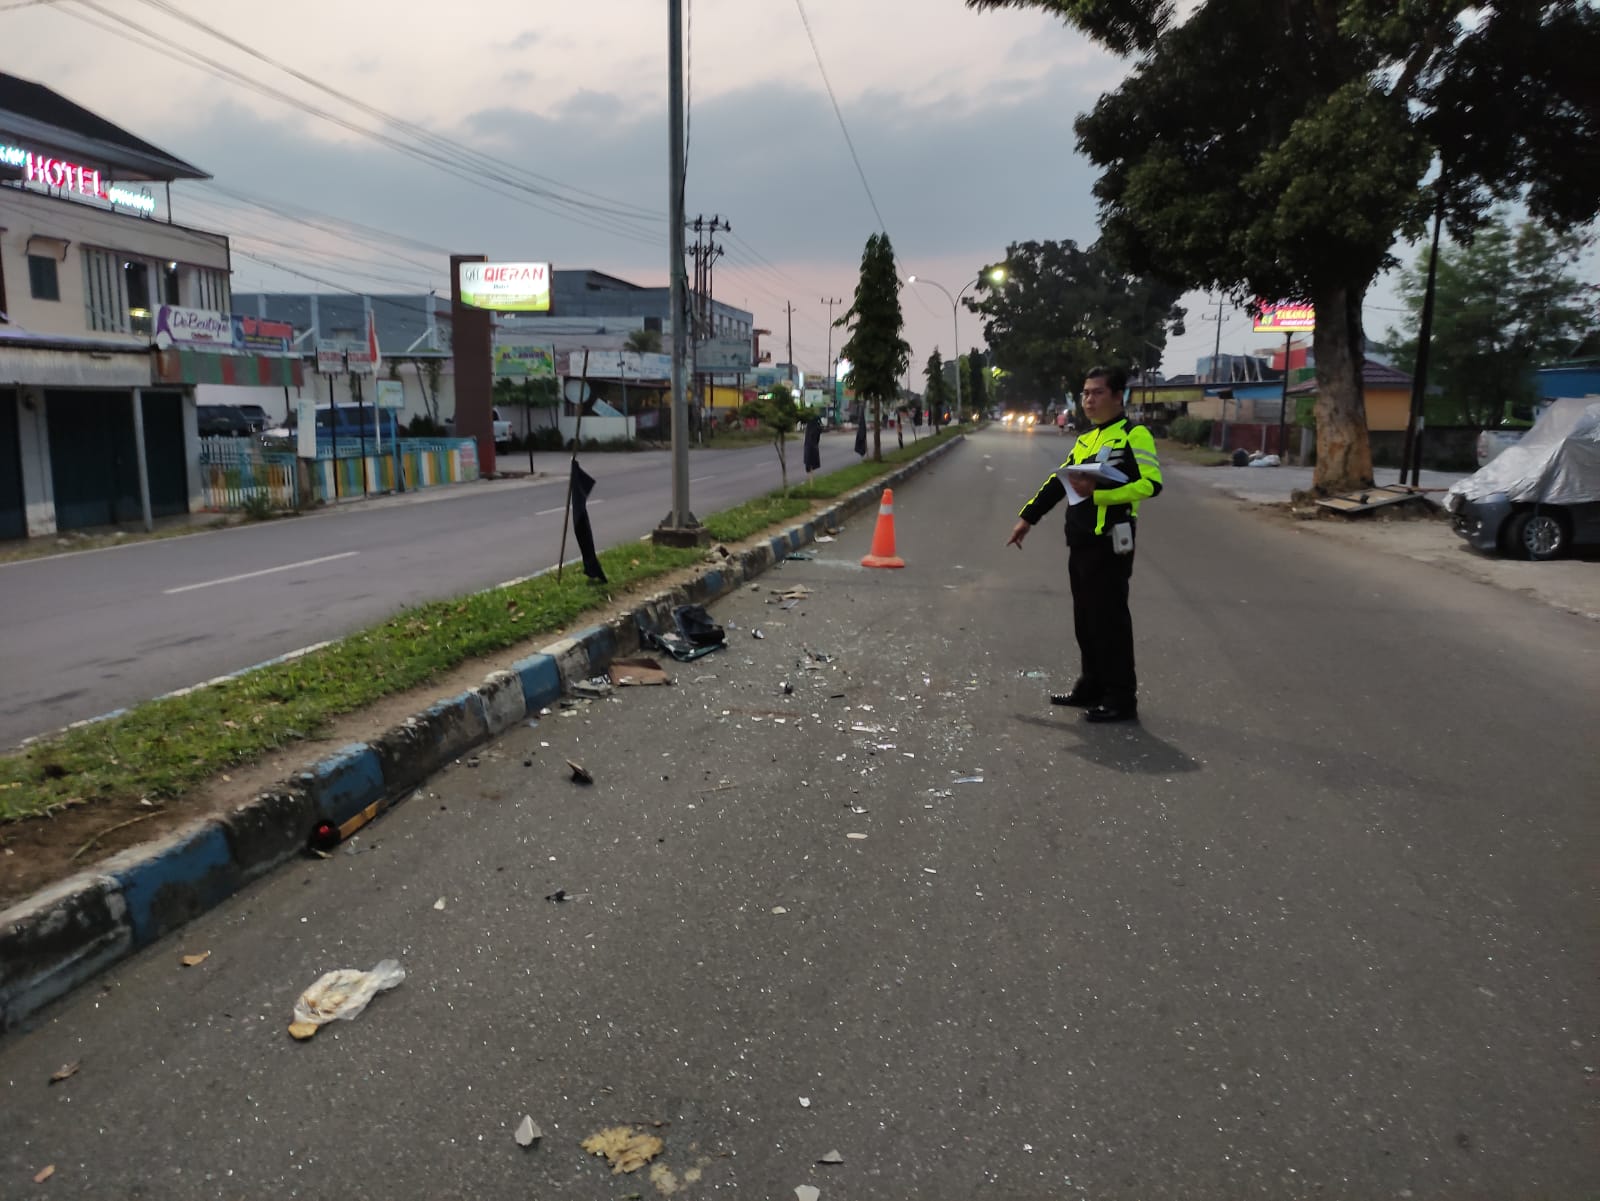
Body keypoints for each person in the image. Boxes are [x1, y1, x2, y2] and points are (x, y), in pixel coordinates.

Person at [1006, 366, 1163, 723]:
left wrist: (1103, 493)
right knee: (1086, 619)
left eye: (1097, 393)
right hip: (1080, 540)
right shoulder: (1086, 439)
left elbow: (1151, 484)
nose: (1089, 400)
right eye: (1085, 393)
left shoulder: (1134, 435)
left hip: (1111, 541)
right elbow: (1058, 483)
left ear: (1118, 396)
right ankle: (1091, 686)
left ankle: (1121, 697)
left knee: (1109, 621)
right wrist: (1028, 518)